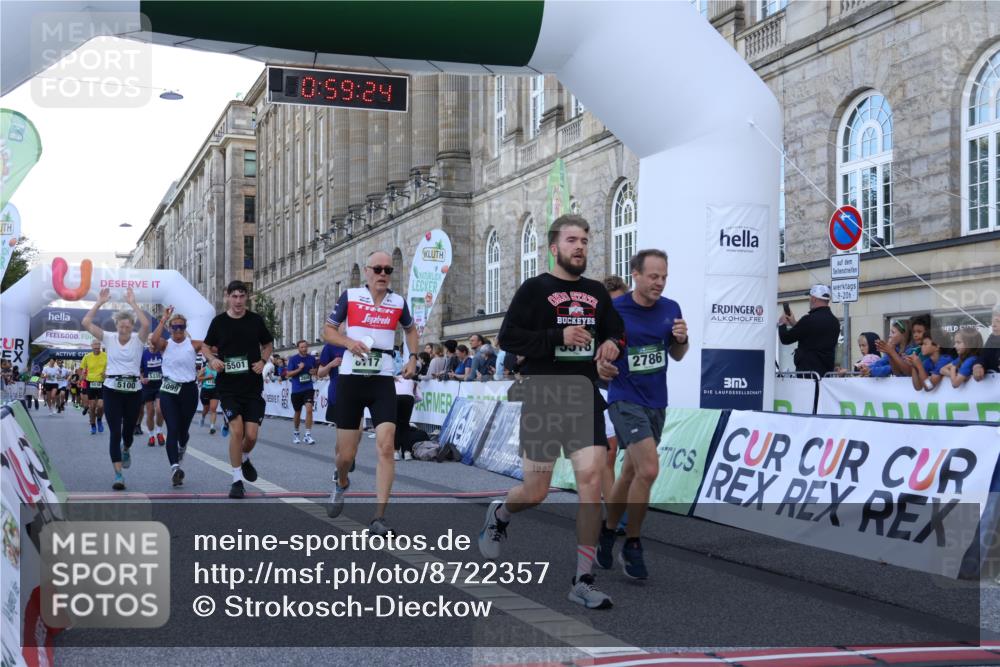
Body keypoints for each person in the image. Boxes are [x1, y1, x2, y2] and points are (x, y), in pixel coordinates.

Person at [481, 214, 625, 610]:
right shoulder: (535, 289)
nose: (580, 247)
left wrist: (612, 345)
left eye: (584, 241)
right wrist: (556, 335)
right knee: (536, 491)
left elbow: (616, 331)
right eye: (572, 240)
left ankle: (583, 579)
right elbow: (508, 338)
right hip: (543, 394)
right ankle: (501, 513)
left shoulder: (596, 292)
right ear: (554, 248)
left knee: (591, 482)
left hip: (583, 395)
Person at [596, 249, 689, 580]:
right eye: (653, 276)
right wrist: (601, 365)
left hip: (656, 401)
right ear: (635, 274)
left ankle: (607, 531)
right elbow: (598, 353)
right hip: (624, 398)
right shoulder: (614, 310)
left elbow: (677, 354)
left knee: (630, 473)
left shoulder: (671, 309)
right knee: (648, 469)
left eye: (664, 277)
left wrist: (682, 339)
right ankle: (632, 543)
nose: (659, 283)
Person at [323, 250, 419, 536]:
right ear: (366, 271)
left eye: (388, 270)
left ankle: (379, 517)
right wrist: (348, 342)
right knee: (345, 455)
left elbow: (411, 330)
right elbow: (328, 331)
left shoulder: (398, 302)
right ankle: (341, 481)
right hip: (351, 380)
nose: (383, 274)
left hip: (382, 380)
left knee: (386, 446)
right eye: (378, 269)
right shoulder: (350, 297)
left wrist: (413, 357)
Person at [201, 280, 274, 499]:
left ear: (246, 298)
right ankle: (236, 480)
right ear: (228, 297)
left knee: (251, 435)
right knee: (237, 430)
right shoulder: (219, 322)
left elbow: (268, 344)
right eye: (234, 296)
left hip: (252, 387)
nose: (238, 301)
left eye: (242, 296)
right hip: (228, 388)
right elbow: (205, 346)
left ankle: (243, 456)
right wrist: (212, 359)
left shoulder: (255, 320)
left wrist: (263, 361)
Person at [82, 287, 150, 491]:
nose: (124, 329)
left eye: (128, 326)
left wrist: (132, 303)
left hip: (133, 391)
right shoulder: (108, 338)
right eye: (121, 326)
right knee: (115, 432)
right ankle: (118, 475)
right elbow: (86, 323)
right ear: (117, 326)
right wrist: (99, 303)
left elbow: (146, 324)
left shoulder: (139, 339)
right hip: (111, 389)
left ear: (132, 326)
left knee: (128, 431)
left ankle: (126, 447)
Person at [150, 306, 201, 487]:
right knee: (172, 428)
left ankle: (182, 446)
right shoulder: (165, 344)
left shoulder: (193, 344)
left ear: (185, 328)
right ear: (170, 329)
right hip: (169, 390)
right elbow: (154, 340)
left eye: (181, 327)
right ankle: (175, 468)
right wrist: (163, 319)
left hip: (189, 391)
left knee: (183, 431)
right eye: (175, 327)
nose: (178, 330)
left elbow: (212, 348)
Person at [777, 285, 840, 376]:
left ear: (814, 299)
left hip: (807, 375)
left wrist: (781, 324)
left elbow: (785, 339)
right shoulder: (835, 322)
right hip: (826, 375)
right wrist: (795, 323)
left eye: (810, 297)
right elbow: (813, 335)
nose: (809, 300)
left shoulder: (809, 320)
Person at [286, 339, 318, 445]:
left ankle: (307, 435)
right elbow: (288, 374)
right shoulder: (293, 359)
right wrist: (299, 369)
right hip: (296, 390)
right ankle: (296, 433)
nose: (304, 349)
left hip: (308, 388)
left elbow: (315, 371)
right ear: (298, 348)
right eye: (302, 347)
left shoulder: (311, 358)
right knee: (297, 412)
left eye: (305, 347)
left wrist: (314, 372)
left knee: (309, 410)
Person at [140, 334, 165, 447]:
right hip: (148, 387)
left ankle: (159, 431)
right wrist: (142, 378)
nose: (153, 342)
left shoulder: (162, 352)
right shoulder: (144, 354)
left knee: (160, 410)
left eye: (154, 340)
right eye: (150, 340)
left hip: (160, 385)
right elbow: (140, 370)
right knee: (150, 412)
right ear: (148, 341)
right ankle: (151, 435)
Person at [80, 340, 107, 434]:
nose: (96, 347)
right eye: (95, 345)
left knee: (101, 405)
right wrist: (82, 375)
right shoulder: (87, 357)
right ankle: (93, 425)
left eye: (98, 345)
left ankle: (99, 420)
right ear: (91, 346)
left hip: (102, 382)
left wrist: (106, 373)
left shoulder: (105, 356)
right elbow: (81, 369)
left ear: (100, 346)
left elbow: (112, 367)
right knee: (92, 407)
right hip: (90, 382)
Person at [317, 338, 345, 423]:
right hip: (337, 392)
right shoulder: (330, 346)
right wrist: (331, 364)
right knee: (340, 424)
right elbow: (320, 373)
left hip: (356, 392)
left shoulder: (358, 343)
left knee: (358, 424)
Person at [972, 304, 1000, 381]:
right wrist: (978, 366)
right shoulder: (993, 338)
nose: (993, 325)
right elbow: (984, 356)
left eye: (998, 321)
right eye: (992, 321)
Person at [198, 361, 222, 434]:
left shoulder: (218, 370)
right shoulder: (204, 369)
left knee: (213, 409)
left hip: (215, 391)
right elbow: (198, 378)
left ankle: (212, 427)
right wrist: (207, 377)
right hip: (205, 391)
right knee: (206, 409)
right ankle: (203, 417)